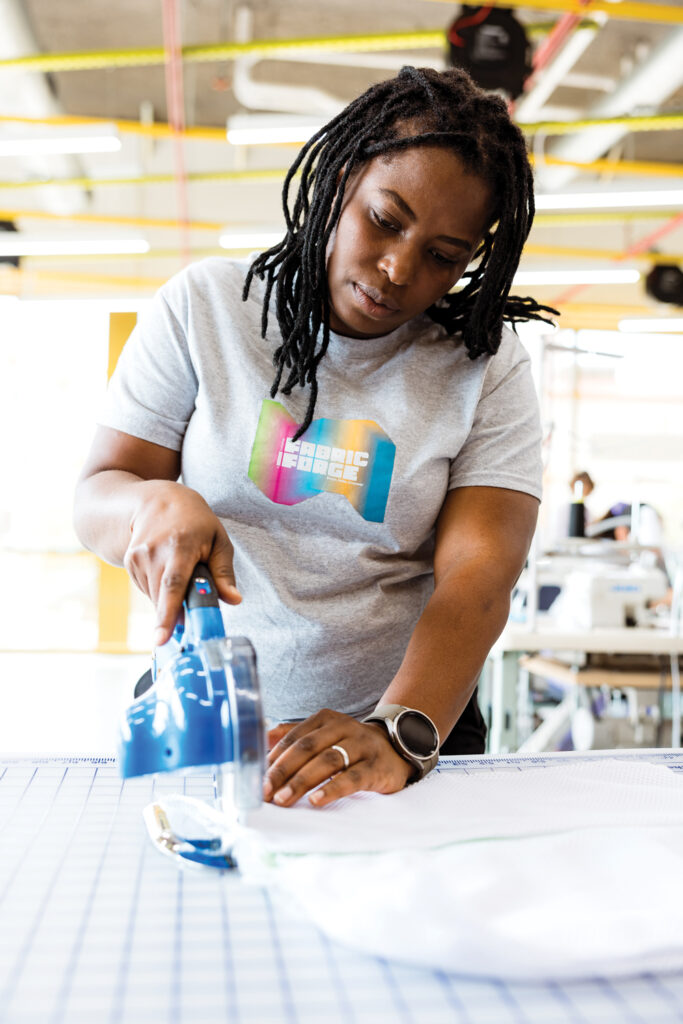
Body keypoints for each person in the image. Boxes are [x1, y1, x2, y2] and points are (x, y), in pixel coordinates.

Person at [74, 66, 555, 809]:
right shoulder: (205, 309)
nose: (398, 269)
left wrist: (399, 731)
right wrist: (150, 505)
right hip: (204, 714)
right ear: (338, 181)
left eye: (443, 256)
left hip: (400, 726)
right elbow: (97, 495)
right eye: (385, 220)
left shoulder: (483, 367)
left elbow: (478, 573)